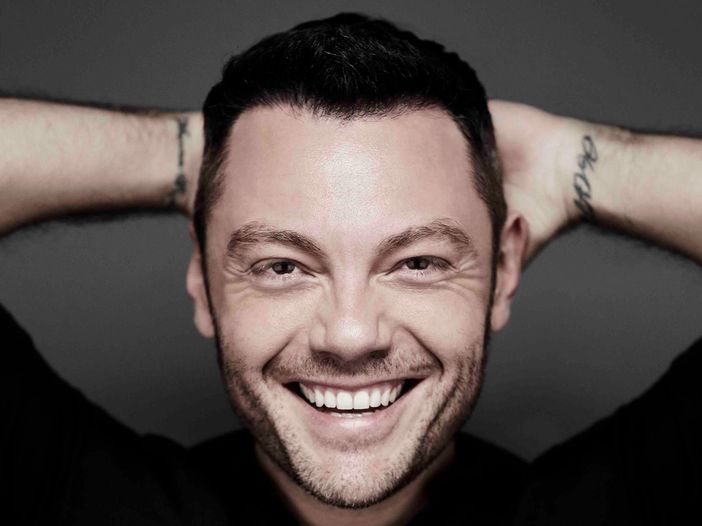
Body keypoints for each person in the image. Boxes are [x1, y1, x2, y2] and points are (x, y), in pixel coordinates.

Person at [2, 12, 700, 526]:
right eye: (282, 265)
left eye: (418, 262)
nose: (350, 334)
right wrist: (210, 153)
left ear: (503, 268)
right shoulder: (91, 502)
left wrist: (566, 166)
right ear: (203, 279)